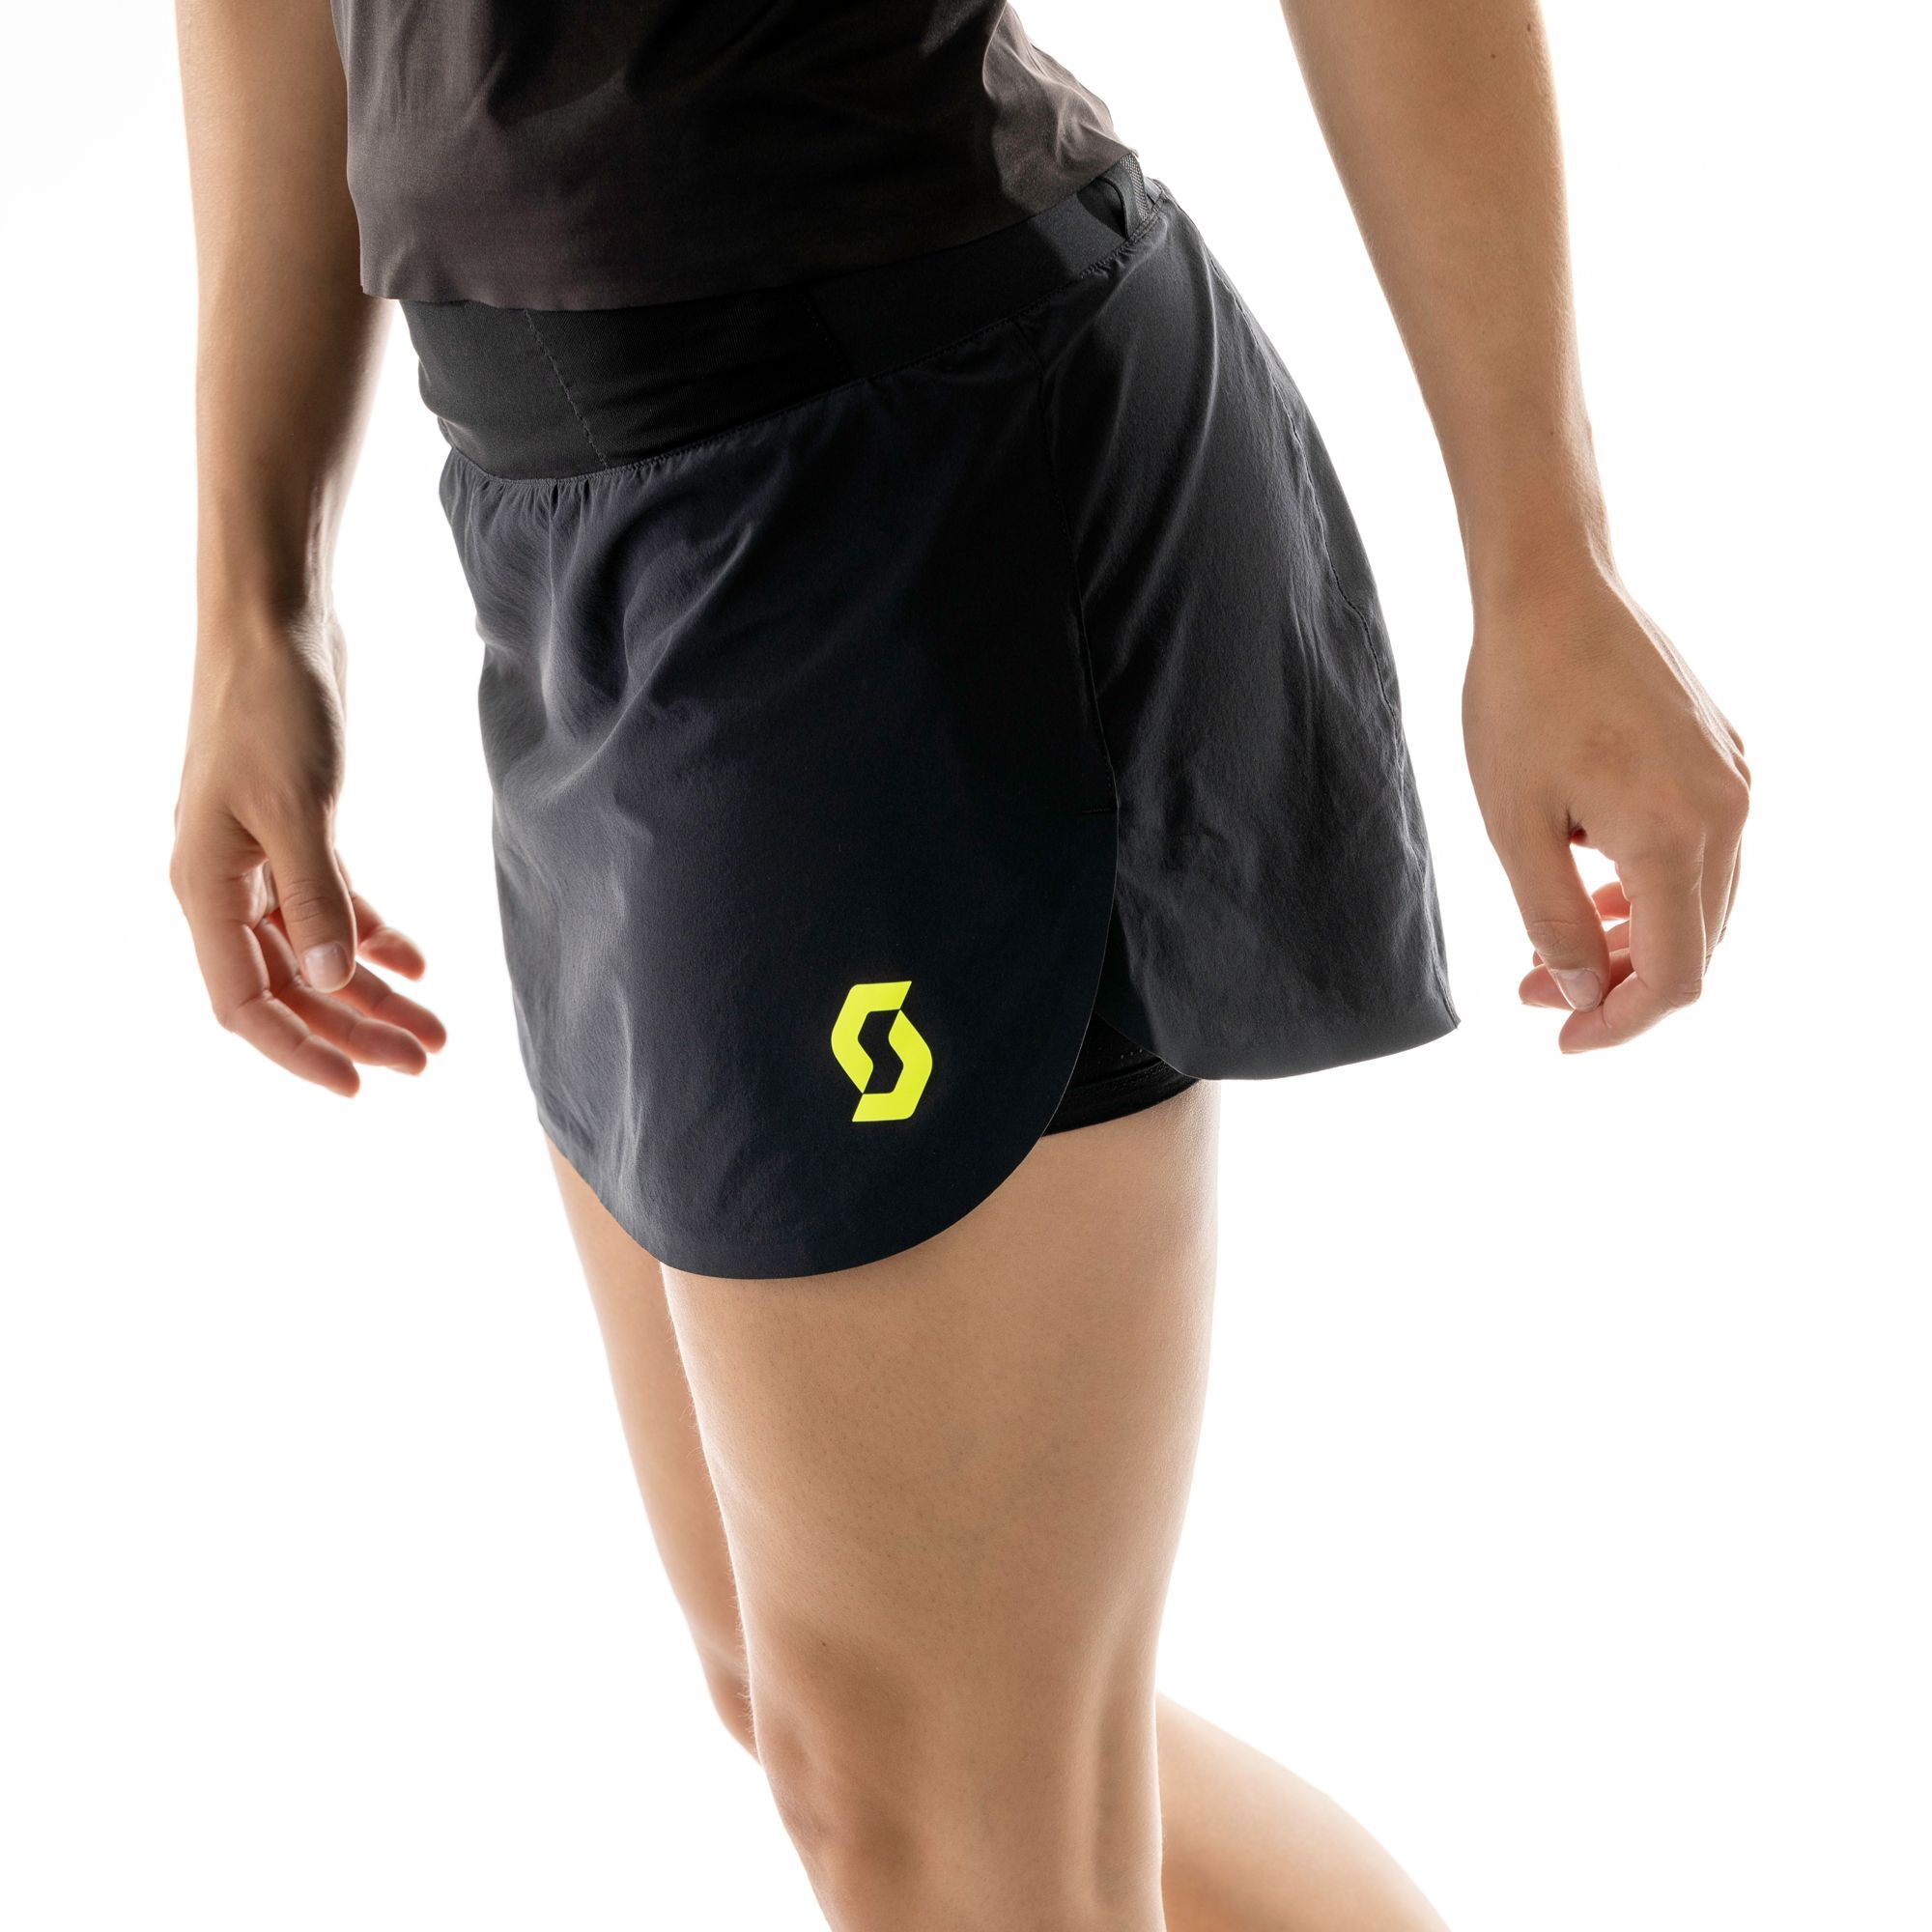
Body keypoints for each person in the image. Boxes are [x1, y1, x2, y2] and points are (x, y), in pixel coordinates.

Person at [169, 1, 1748, 1925]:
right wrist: (251, 598)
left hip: (900, 468)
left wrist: (1545, 560)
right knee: (828, 1711)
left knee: (932, 1786)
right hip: (567, 514)